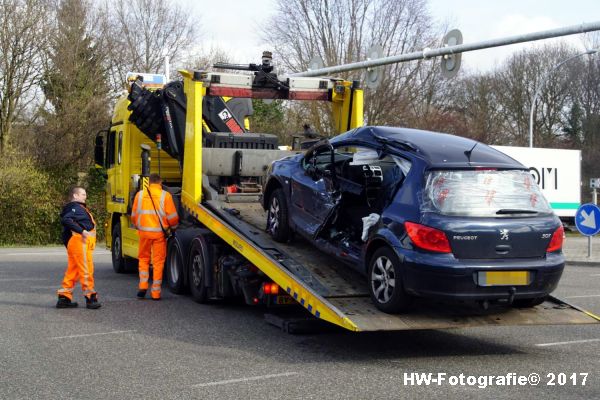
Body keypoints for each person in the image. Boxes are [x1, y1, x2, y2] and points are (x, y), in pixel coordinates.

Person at [131, 173, 179, 300]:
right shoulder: (165, 195)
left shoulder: (139, 195)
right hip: (159, 234)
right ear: (160, 182)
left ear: (149, 182)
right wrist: (173, 228)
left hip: (144, 233)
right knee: (158, 262)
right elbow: (172, 217)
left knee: (143, 259)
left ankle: (142, 286)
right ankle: (156, 293)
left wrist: (138, 226)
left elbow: (134, 215)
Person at [56, 186, 101, 309]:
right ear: (75, 196)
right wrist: (82, 231)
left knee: (73, 271)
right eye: (83, 194)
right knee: (86, 270)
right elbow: (66, 219)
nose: (85, 196)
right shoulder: (74, 207)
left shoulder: (78, 208)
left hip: (77, 243)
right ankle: (90, 298)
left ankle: (64, 298)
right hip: (79, 243)